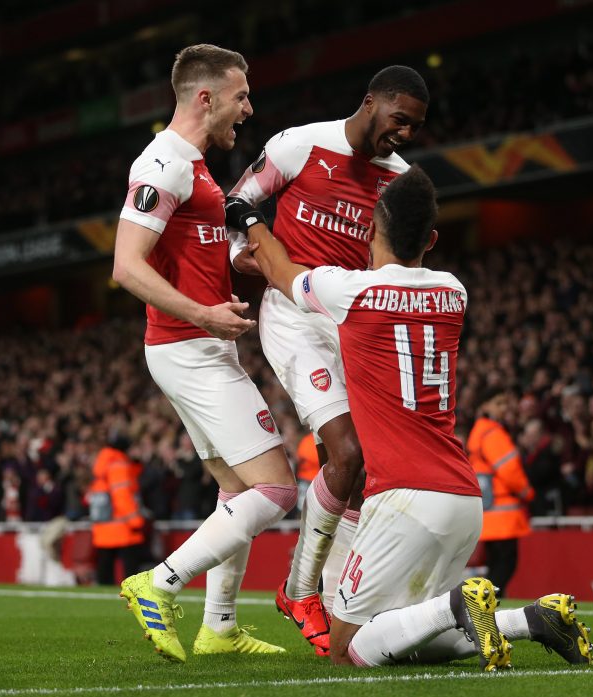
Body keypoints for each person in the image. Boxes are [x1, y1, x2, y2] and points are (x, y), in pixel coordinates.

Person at [232, 165, 593, 669]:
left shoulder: (350, 291)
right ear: (433, 239)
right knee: (409, 632)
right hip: (464, 498)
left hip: (403, 496)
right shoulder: (453, 291)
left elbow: (279, 271)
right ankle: (528, 620)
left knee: (347, 650)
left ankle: (455, 602)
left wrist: (249, 218)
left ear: (368, 233)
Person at [225, 65, 430, 655]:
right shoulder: (300, 144)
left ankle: (341, 598)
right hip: (294, 321)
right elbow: (238, 201)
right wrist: (250, 255)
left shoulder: (400, 179)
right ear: (370, 103)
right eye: (399, 120)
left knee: (359, 473)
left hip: (353, 324)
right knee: (348, 452)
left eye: (415, 126)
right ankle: (299, 590)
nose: (406, 134)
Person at [111, 44, 297, 662]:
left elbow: (192, 255)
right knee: (274, 491)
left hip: (194, 344)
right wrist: (202, 313)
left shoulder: (195, 167)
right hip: (189, 344)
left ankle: (218, 627)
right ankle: (156, 584)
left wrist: (240, 266)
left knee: (235, 491)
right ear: (205, 98)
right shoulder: (163, 163)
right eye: (241, 95)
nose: (249, 107)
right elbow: (126, 266)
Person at [467, 388, 534, 595]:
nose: (504, 408)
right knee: (505, 564)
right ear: (485, 406)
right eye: (499, 403)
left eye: (506, 403)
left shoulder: (478, 431)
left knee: (497, 564)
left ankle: (483, 603)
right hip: (502, 512)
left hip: (489, 509)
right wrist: (526, 491)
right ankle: (483, 603)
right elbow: (509, 469)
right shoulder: (493, 433)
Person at [87, 432, 148, 586]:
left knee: (105, 572)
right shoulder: (118, 465)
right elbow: (122, 495)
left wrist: (136, 462)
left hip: (104, 526)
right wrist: (136, 521)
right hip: (123, 527)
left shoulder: (104, 463)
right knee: (132, 576)